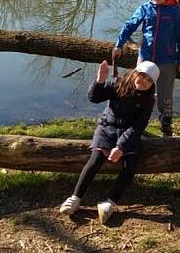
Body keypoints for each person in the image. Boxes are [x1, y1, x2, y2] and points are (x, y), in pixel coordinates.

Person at [59, 59, 159, 224]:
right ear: (135, 73)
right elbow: (94, 98)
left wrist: (121, 146)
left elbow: (137, 127)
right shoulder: (118, 84)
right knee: (96, 158)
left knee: (130, 165)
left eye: (149, 80)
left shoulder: (148, 100)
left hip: (127, 134)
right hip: (107, 128)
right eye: (142, 76)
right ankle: (75, 198)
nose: (144, 82)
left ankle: (110, 202)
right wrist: (100, 80)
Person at [113, 0, 180, 138]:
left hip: (166, 61)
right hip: (146, 59)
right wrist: (119, 44)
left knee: (164, 96)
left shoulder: (174, 11)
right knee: (137, 91)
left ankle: (166, 127)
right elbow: (129, 26)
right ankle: (132, 123)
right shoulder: (144, 9)